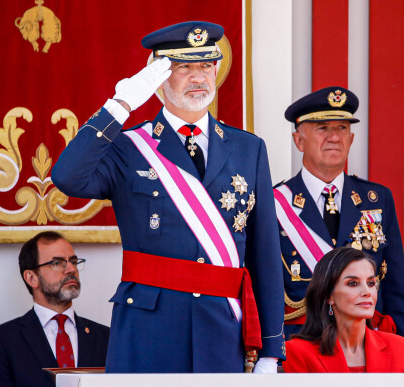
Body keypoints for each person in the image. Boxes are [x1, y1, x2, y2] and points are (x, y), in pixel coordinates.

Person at [51, 21, 285, 373]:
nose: (198, 77)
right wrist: (120, 105)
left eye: (206, 65)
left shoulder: (247, 148)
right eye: (184, 67)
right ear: (158, 76)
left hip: (221, 327)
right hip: (149, 326)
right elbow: (67, 177)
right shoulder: (129, 147)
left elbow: (264, 250)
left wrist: (270, 350)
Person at [274, 86, 404, 359]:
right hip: (301, 347)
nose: (334, 137)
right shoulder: (274, 203)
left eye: (341, 128)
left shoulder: (377, 199)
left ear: (351, 139)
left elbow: (397, 288)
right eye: (322, 128)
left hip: (367, 345)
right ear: (299, 140)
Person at [0, 231, 110, 387]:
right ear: (31, 278)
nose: (70, 269)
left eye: (73, 261)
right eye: (56, 263)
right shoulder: (1, 340)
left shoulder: (107, 338)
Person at [282, 247, 404, 372]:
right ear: (329, 295)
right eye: (353, 283)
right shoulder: (297, 351)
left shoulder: (401, 348)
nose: (366, 292)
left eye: (371, 283)